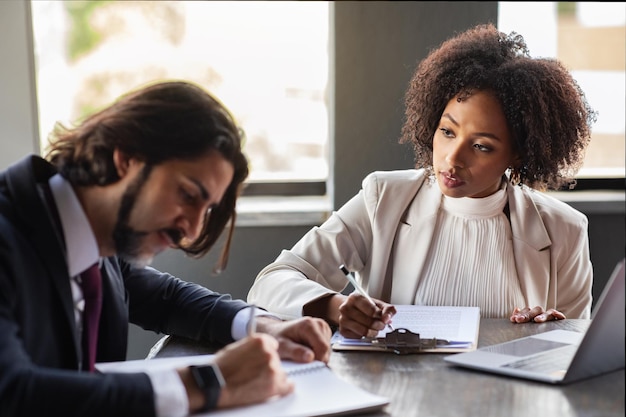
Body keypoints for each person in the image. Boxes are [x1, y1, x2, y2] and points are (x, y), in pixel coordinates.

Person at [0, 80, 332, 417]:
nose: (193, 228)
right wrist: (209, 383)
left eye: (207, 210)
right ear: (126, 158)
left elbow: (167, 299)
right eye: (188, 195)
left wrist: (262, 325)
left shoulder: (97, 247)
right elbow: (11, 392)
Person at [247, 23, 596, 339]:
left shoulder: (564, 230)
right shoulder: (384, 198)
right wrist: (334, 307)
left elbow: (573, 348)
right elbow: (271, 282)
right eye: (446, 131)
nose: (452, 158)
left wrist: (553, 333)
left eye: (481, 146)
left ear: (519, 154)